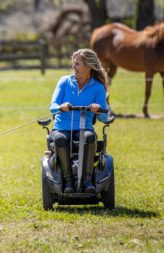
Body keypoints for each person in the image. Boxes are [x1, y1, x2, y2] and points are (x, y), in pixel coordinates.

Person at [50, 48, 108, 193]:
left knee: (89, 138)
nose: (73, 67)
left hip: (84, 128)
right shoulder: (64, 81)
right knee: (60, 140)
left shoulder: (98, 87)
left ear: (88, 66)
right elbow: (52, 107)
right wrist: (61, 106)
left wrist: (98, 109)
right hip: (61, 128)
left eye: (77, 64)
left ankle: (87, 181)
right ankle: (68, 182)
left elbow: (104, 117)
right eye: (73, 63)